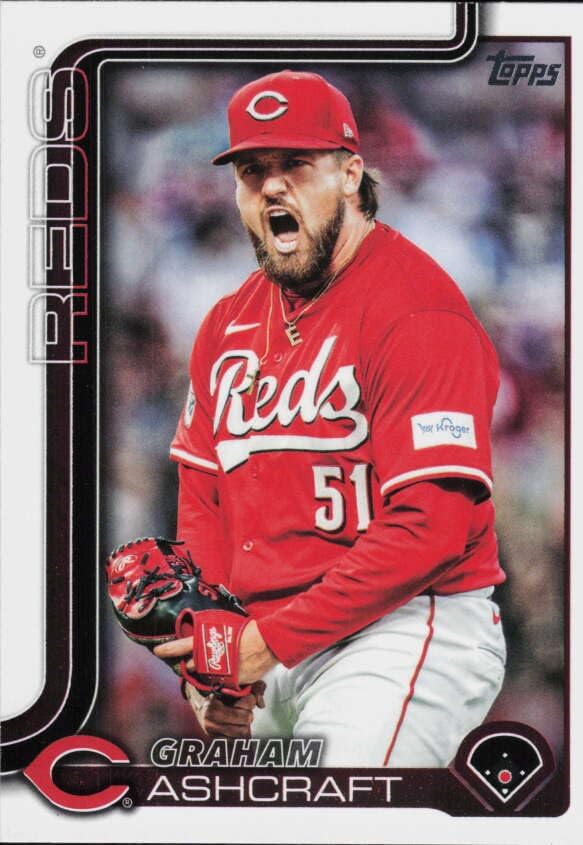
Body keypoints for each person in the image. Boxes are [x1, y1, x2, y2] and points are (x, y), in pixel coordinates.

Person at [155, 69, 507, 767]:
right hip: (267, 645)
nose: (272, 187)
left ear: (350, 174)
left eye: (295, 164)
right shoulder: (226, 325)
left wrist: (264, 644)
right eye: (252, 171)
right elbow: (204, 502)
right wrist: (213, 666)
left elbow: (431, 527)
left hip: (401, 625)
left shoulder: (417, 311)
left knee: (339, 808)